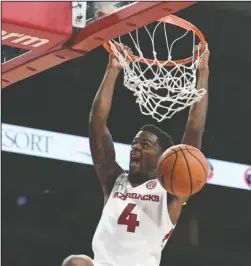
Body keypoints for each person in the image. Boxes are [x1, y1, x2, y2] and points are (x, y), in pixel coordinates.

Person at [62, 45, 210, 266]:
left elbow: (194, 129)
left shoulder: (171, 190)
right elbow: (97, 125)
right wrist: (112, 69)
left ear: (163, 158)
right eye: (134, 143)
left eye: (145, 144)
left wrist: (203, 71)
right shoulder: (115, 180)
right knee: (76, 263)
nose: (136, 148)